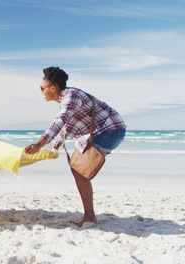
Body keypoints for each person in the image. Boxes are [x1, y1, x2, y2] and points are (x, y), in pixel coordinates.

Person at [25, 66, 126, 227]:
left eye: (42, 88)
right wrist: (54, 147)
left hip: (110, 130)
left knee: (79, 171)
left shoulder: (70, 95)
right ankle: (89, 215)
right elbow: (67, 126)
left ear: (53, 87)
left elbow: (61, 119)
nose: (41, 92)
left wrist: (40, 143)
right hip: (108, 130)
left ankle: (89, 216)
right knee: (77, 170)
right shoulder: (67, 99)